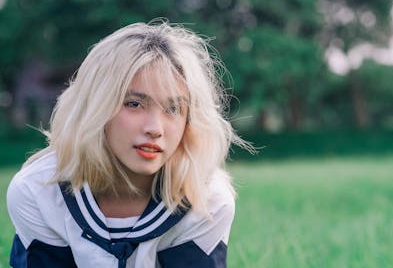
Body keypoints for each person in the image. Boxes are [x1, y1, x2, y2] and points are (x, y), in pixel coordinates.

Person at [7, 20, 252, 268]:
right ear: (93, 106)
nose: (155, 129)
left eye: (173, 108)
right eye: (134, 104)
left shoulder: (206, 200)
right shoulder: (37, 191)